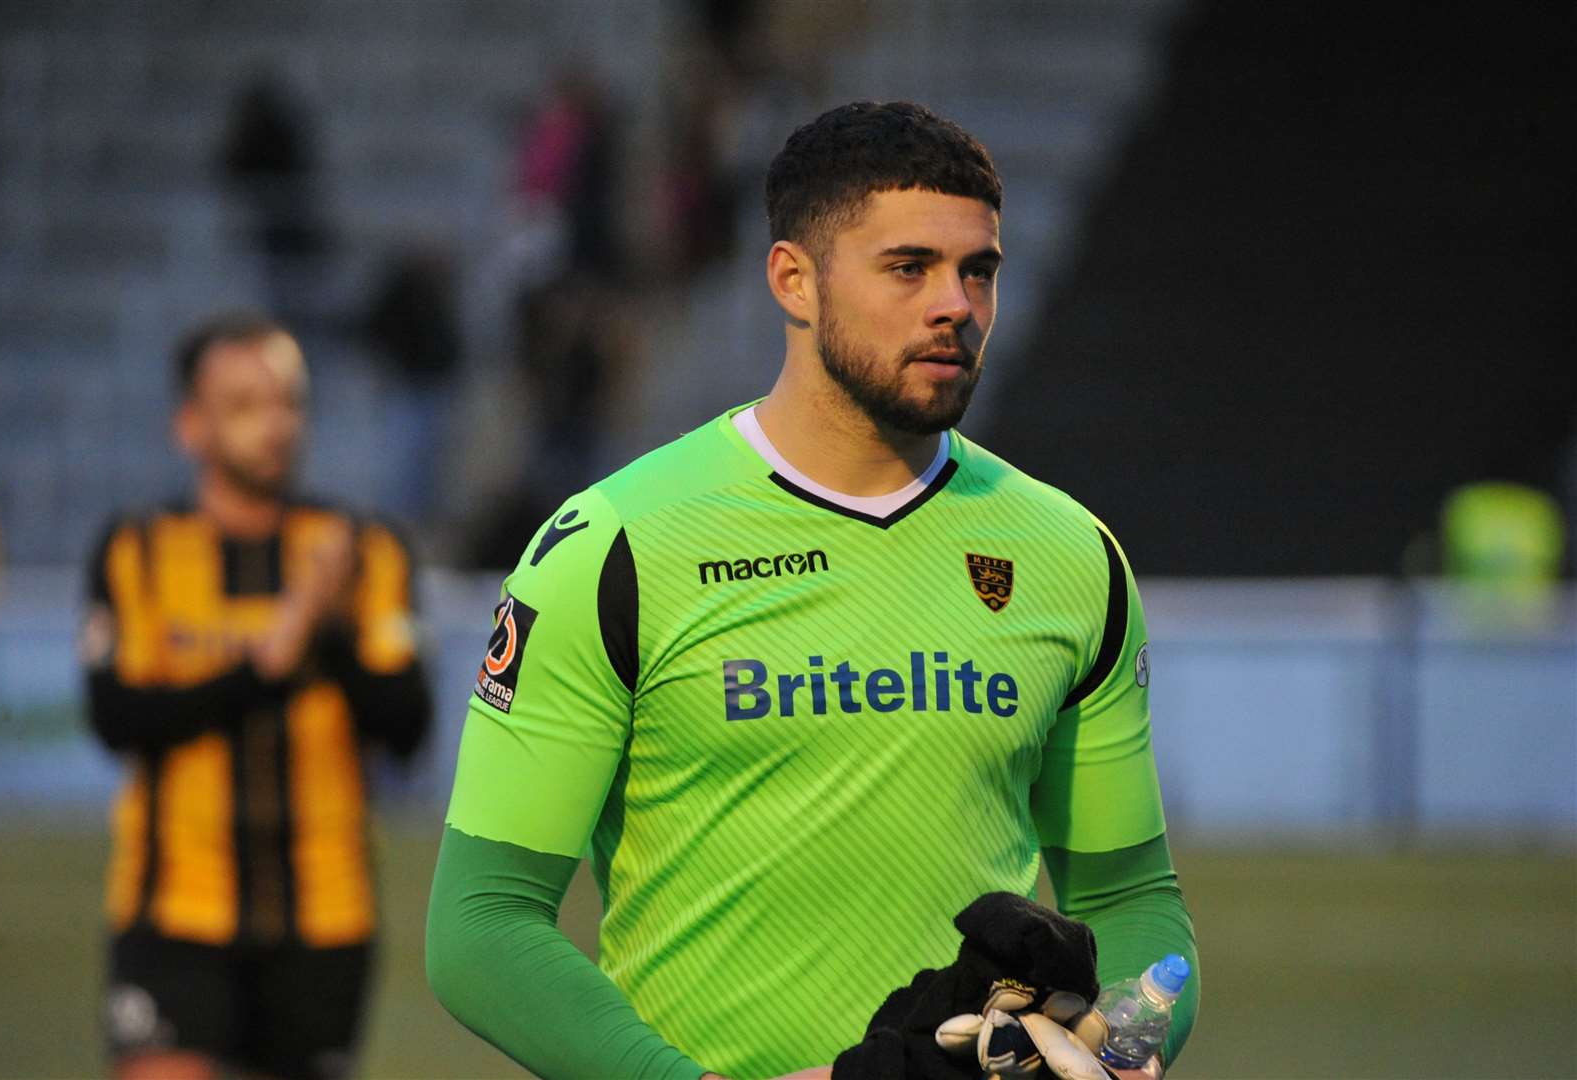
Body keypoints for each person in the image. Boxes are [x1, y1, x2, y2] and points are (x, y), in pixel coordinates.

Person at [427, 102, 1198, 1080]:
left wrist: (1117, 1043)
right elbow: (481, 924)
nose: (955, 304)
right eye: (909, 267)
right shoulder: (613, 545)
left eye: (980, 271)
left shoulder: (1070, 552)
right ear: (794, 279)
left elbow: (1133, 898)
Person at [84, 312, 432, 1080]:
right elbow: (120, 720)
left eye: (287, 402)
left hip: (326, 918)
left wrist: (327, 634)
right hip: (170, 910)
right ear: (190, 426)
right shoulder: (136, 550)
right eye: (243, 405)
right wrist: (274, 655)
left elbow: (407, 726)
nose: (274, 426)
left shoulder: (364, 552)